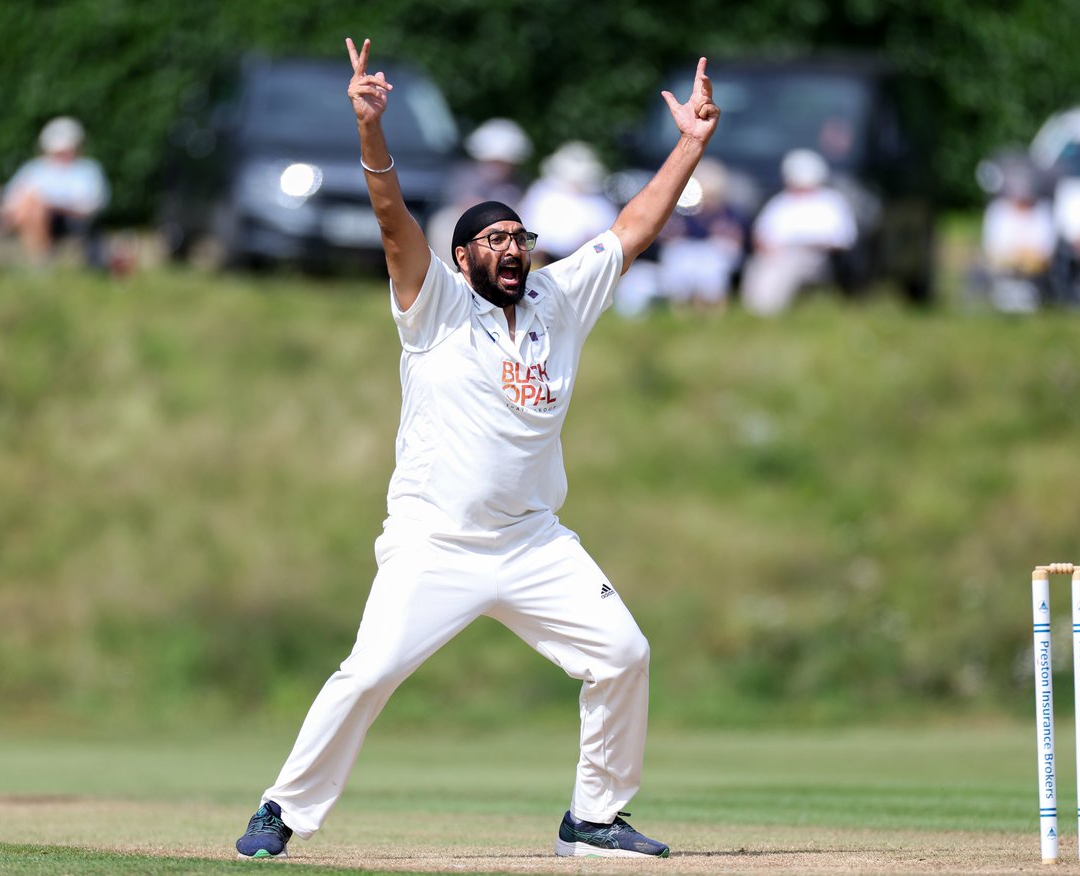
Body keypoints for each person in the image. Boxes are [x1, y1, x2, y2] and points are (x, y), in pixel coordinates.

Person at [233, 38, 720, 861]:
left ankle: (593, 819)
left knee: (623, 654)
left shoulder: (559, 299)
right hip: (437, 541)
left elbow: (633, 228)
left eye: (518, 237)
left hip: (533, 541)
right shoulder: (436, 308)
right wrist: (370, 129)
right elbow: (393, 224)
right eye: (492, 239)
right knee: (369, 672)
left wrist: (691, 143)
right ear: (462, 260)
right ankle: (283, 809)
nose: (511, 247)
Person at [739, 149, 857, 315]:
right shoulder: (780, 202)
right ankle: (753, 309)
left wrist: (810, 245)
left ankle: (768, 310)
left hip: (814, 256)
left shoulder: (831, 202)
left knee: (786, 265)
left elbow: (844, 239)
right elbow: (760, 234)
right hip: (776, 252)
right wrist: (766, 248)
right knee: (758, 265)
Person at [0, 117, 109, 265]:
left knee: (34, 204)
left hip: (68, 220)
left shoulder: (87, 169)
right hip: (29, 215)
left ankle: (39, 259)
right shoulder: (34, 168)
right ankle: (39, 258)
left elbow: (89, 206)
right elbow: (10, 199)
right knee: (31, 204)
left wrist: (48, 205)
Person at [426, 117, 533, 264]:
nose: (498, 167)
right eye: (493, 161)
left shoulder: (517, 184)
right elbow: (465, 206)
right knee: (443, 223)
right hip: (472, 226)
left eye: (503, 162)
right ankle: (449, 271)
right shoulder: (465, 175)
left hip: (505, 230)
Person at [656, 157, 746, 314]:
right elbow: (667, 235)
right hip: (688, 253)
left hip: (714, 255)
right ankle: (681, 306)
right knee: (678, 258)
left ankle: (714, 307)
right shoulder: (685, 210)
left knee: (714, 263)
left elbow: (738, 240)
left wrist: (727, 234)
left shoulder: (729, 213)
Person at [517, 140, 618, 265]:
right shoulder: (542, 192)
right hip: (541, 261)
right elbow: (526, 226)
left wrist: (593, 251)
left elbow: (606, 244)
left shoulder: (599, 203)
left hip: (584, 263)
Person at [978, 167, 1056, 312]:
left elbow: (1045, 249)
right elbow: (992, 246)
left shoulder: (1042, 212)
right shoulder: (998, 211)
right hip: (1003, 265)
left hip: (1034, 269)